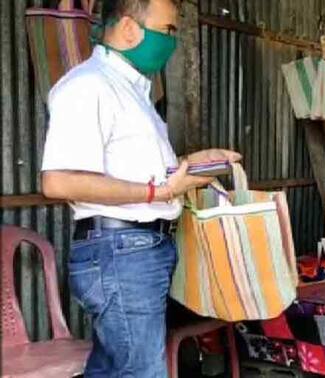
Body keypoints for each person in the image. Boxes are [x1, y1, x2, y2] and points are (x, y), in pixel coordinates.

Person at [40, 0, 240, 376]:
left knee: (116, 366)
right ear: (130, 28)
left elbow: (141, 170)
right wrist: (158, 193)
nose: (171, 42)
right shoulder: (88, 86)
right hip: (122, 252)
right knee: (141, 370)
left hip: (138, 251)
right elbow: (58, 181)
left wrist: (193, 162)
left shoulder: (131, 90)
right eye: (168, 30)